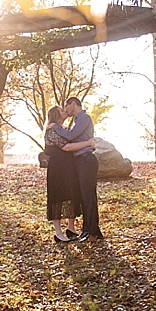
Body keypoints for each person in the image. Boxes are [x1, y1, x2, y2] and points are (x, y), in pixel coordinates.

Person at [53, 96, 102, 241]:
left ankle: (93, 231)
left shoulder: (84, 118)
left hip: (87, 160)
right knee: (84, 197)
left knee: (88, 196)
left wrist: (55, 126)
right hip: (81, 162)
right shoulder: (77, 121)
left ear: (73, 104)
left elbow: (71, 135)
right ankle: (87, 230)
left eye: (66, 106)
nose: (65, 110)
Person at [44, 106, 93, 244]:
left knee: (72, 195)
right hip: (58, 168)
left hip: (69, 167)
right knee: (58, 197)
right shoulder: (52, 130)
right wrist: (88, 143)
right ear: (56, 115)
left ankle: (71, 228)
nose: (65, 111)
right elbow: (67, 147)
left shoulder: (63, 129)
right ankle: (58, 232)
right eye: (61, 110)